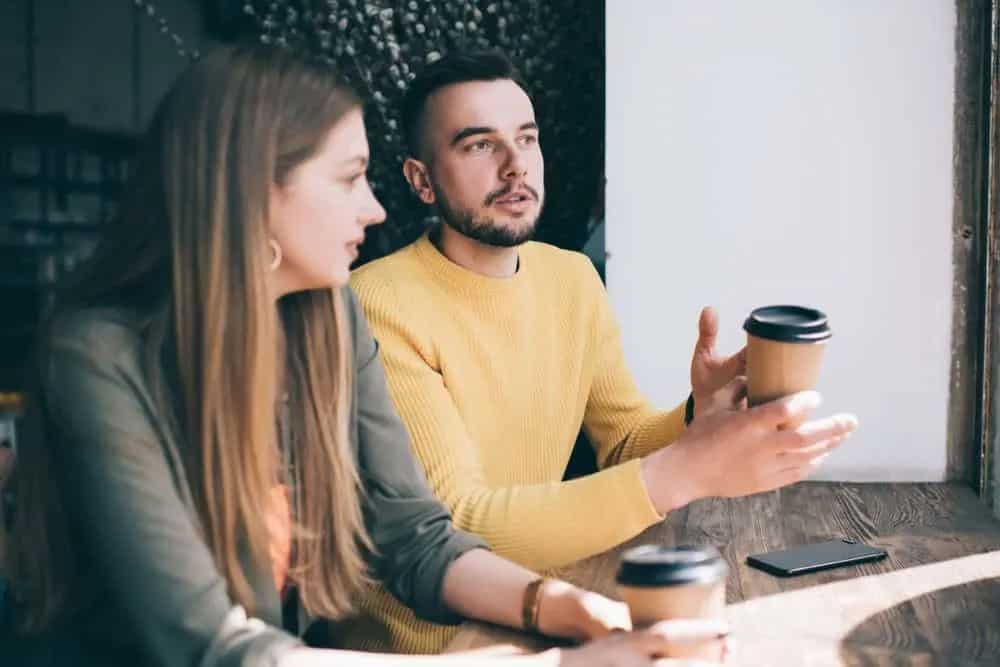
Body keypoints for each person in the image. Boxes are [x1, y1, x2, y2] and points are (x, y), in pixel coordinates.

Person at [1, 43, 720, 667]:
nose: (373, 211)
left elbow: (415, 537)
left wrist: (567, 608)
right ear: (251, 191)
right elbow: (214, 648)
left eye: (526, 138)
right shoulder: (96, 356)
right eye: (349, 179)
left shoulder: (324, 312)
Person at [348, 50, 859, 653]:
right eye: (480, 146)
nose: (517, 167)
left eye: (527, 139)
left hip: (543, 608)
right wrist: (688, 469)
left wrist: (698, 414)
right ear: (421, 180)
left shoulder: (571, 279)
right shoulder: (377, 301)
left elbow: (622, 442)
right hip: (427, 644)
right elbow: (457, 528)